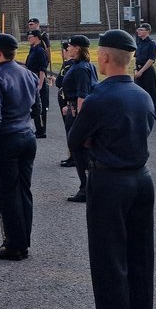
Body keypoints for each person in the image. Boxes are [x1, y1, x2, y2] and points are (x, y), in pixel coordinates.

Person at [67, 29, 156, 309]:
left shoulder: (99, 98)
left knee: (109, 264)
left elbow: (77, 140)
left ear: (104, 57)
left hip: (109, 181)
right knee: (140, 261)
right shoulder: (142, 95)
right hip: (141, 180)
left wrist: (94, 142)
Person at [0, 34, 39, 261]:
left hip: (7, 139)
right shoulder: (28, 73)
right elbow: (37, 105)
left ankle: (14, 244)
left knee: (7, 194)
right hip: (27, 135)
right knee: (24, 191)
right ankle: (23, 240)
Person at [62, 35, 98, 202]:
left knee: (79, 150)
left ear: (77, 48)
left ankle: (86, 189)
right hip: (73, 108)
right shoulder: (84, 65)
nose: (67, 49)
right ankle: (89, 187)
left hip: (78, 113)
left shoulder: (80, 68)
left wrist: (79, 117)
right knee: (81, 151)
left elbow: (83, 94)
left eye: (69, 46)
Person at [24, 30, 50, 138]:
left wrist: (39, 85)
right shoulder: (33, 49)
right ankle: (37, 129)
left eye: (30, 37)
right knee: (34, 106)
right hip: (32, 80)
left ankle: (41, 130)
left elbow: (42, 69)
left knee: (40, 107)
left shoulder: (40, 50)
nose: (29, 39)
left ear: (37, 38)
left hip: (39, 82)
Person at [55, 41, 76, 167]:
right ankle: (71, 155)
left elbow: (61, 82)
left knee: (71, 129)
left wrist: (67, 104)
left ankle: (73, 156)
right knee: (68, 128)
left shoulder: (69, 65)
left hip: (67, 100)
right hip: (64, 98)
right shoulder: (67, 64)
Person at [134, 23, 156, 112]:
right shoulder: (139, 42)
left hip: (147, 71)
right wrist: (136, 70)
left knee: (150, 92)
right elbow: (136, 57)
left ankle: (151, 112)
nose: (138, 32)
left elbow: (151, 59)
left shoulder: (151, 44)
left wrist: (141, 71)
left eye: (141, 30)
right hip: (138, 69)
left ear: (148, 31)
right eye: (138, 30)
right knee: (138, 92)